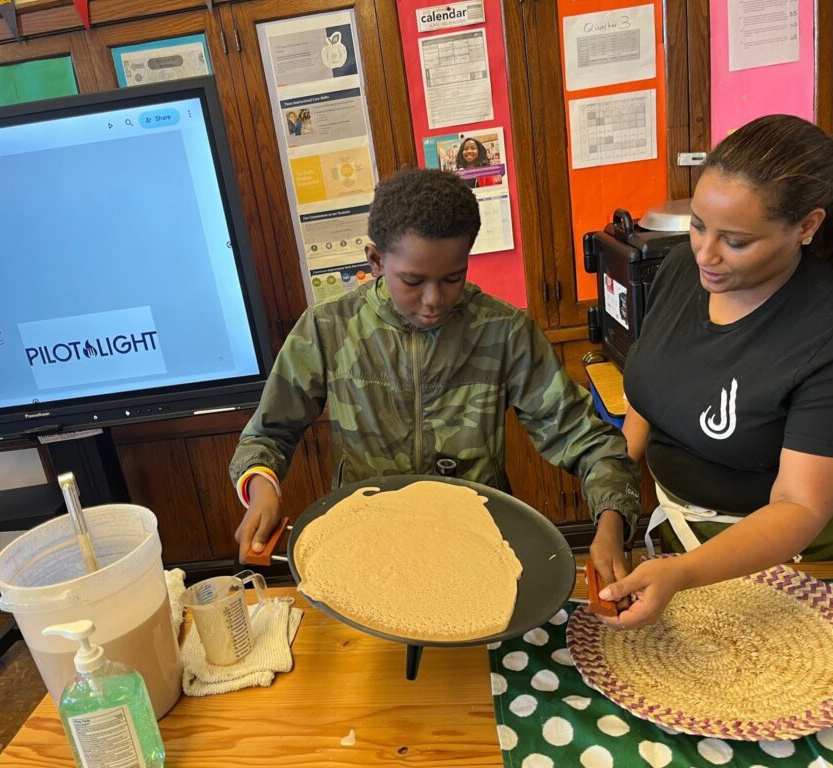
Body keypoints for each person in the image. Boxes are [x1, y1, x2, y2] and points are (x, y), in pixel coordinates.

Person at [230, 167, 641, 560]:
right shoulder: (329, 328)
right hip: (365, 543)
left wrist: (610, 525)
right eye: (412, 281)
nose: (433, 300)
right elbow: (266, 435)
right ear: (375, 261)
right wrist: (262, 488)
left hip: (477, 543)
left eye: (452, 278)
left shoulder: (503, 332)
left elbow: (588, 441)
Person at [590, 114, 833, 630]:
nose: (705, 254)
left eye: (735, 241)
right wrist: (612, 509)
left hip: (817, 563)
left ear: (806, 225)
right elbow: (647, 395)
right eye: (697, 225)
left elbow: (799, 507)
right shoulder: (683, 272)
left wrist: (684, 573)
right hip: (687, 551)